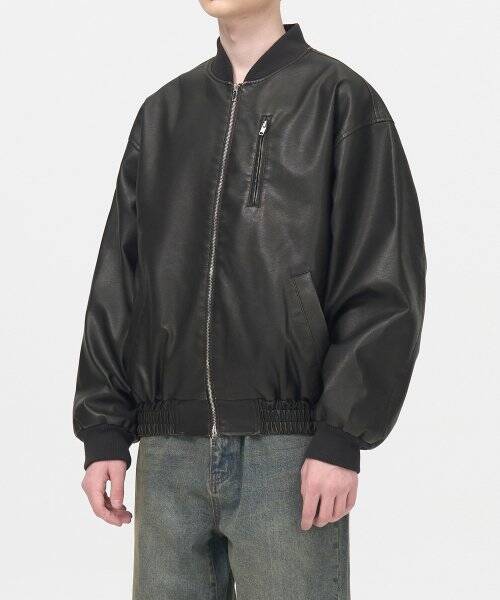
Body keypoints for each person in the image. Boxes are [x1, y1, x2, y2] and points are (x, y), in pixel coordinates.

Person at [74, 1, 426, 598]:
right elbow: (120, 277)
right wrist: (104, 427)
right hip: (169, 450)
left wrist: (341, 434)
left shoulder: (339, 99)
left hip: (288, 453)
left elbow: (383, 277)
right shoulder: (164, 113)